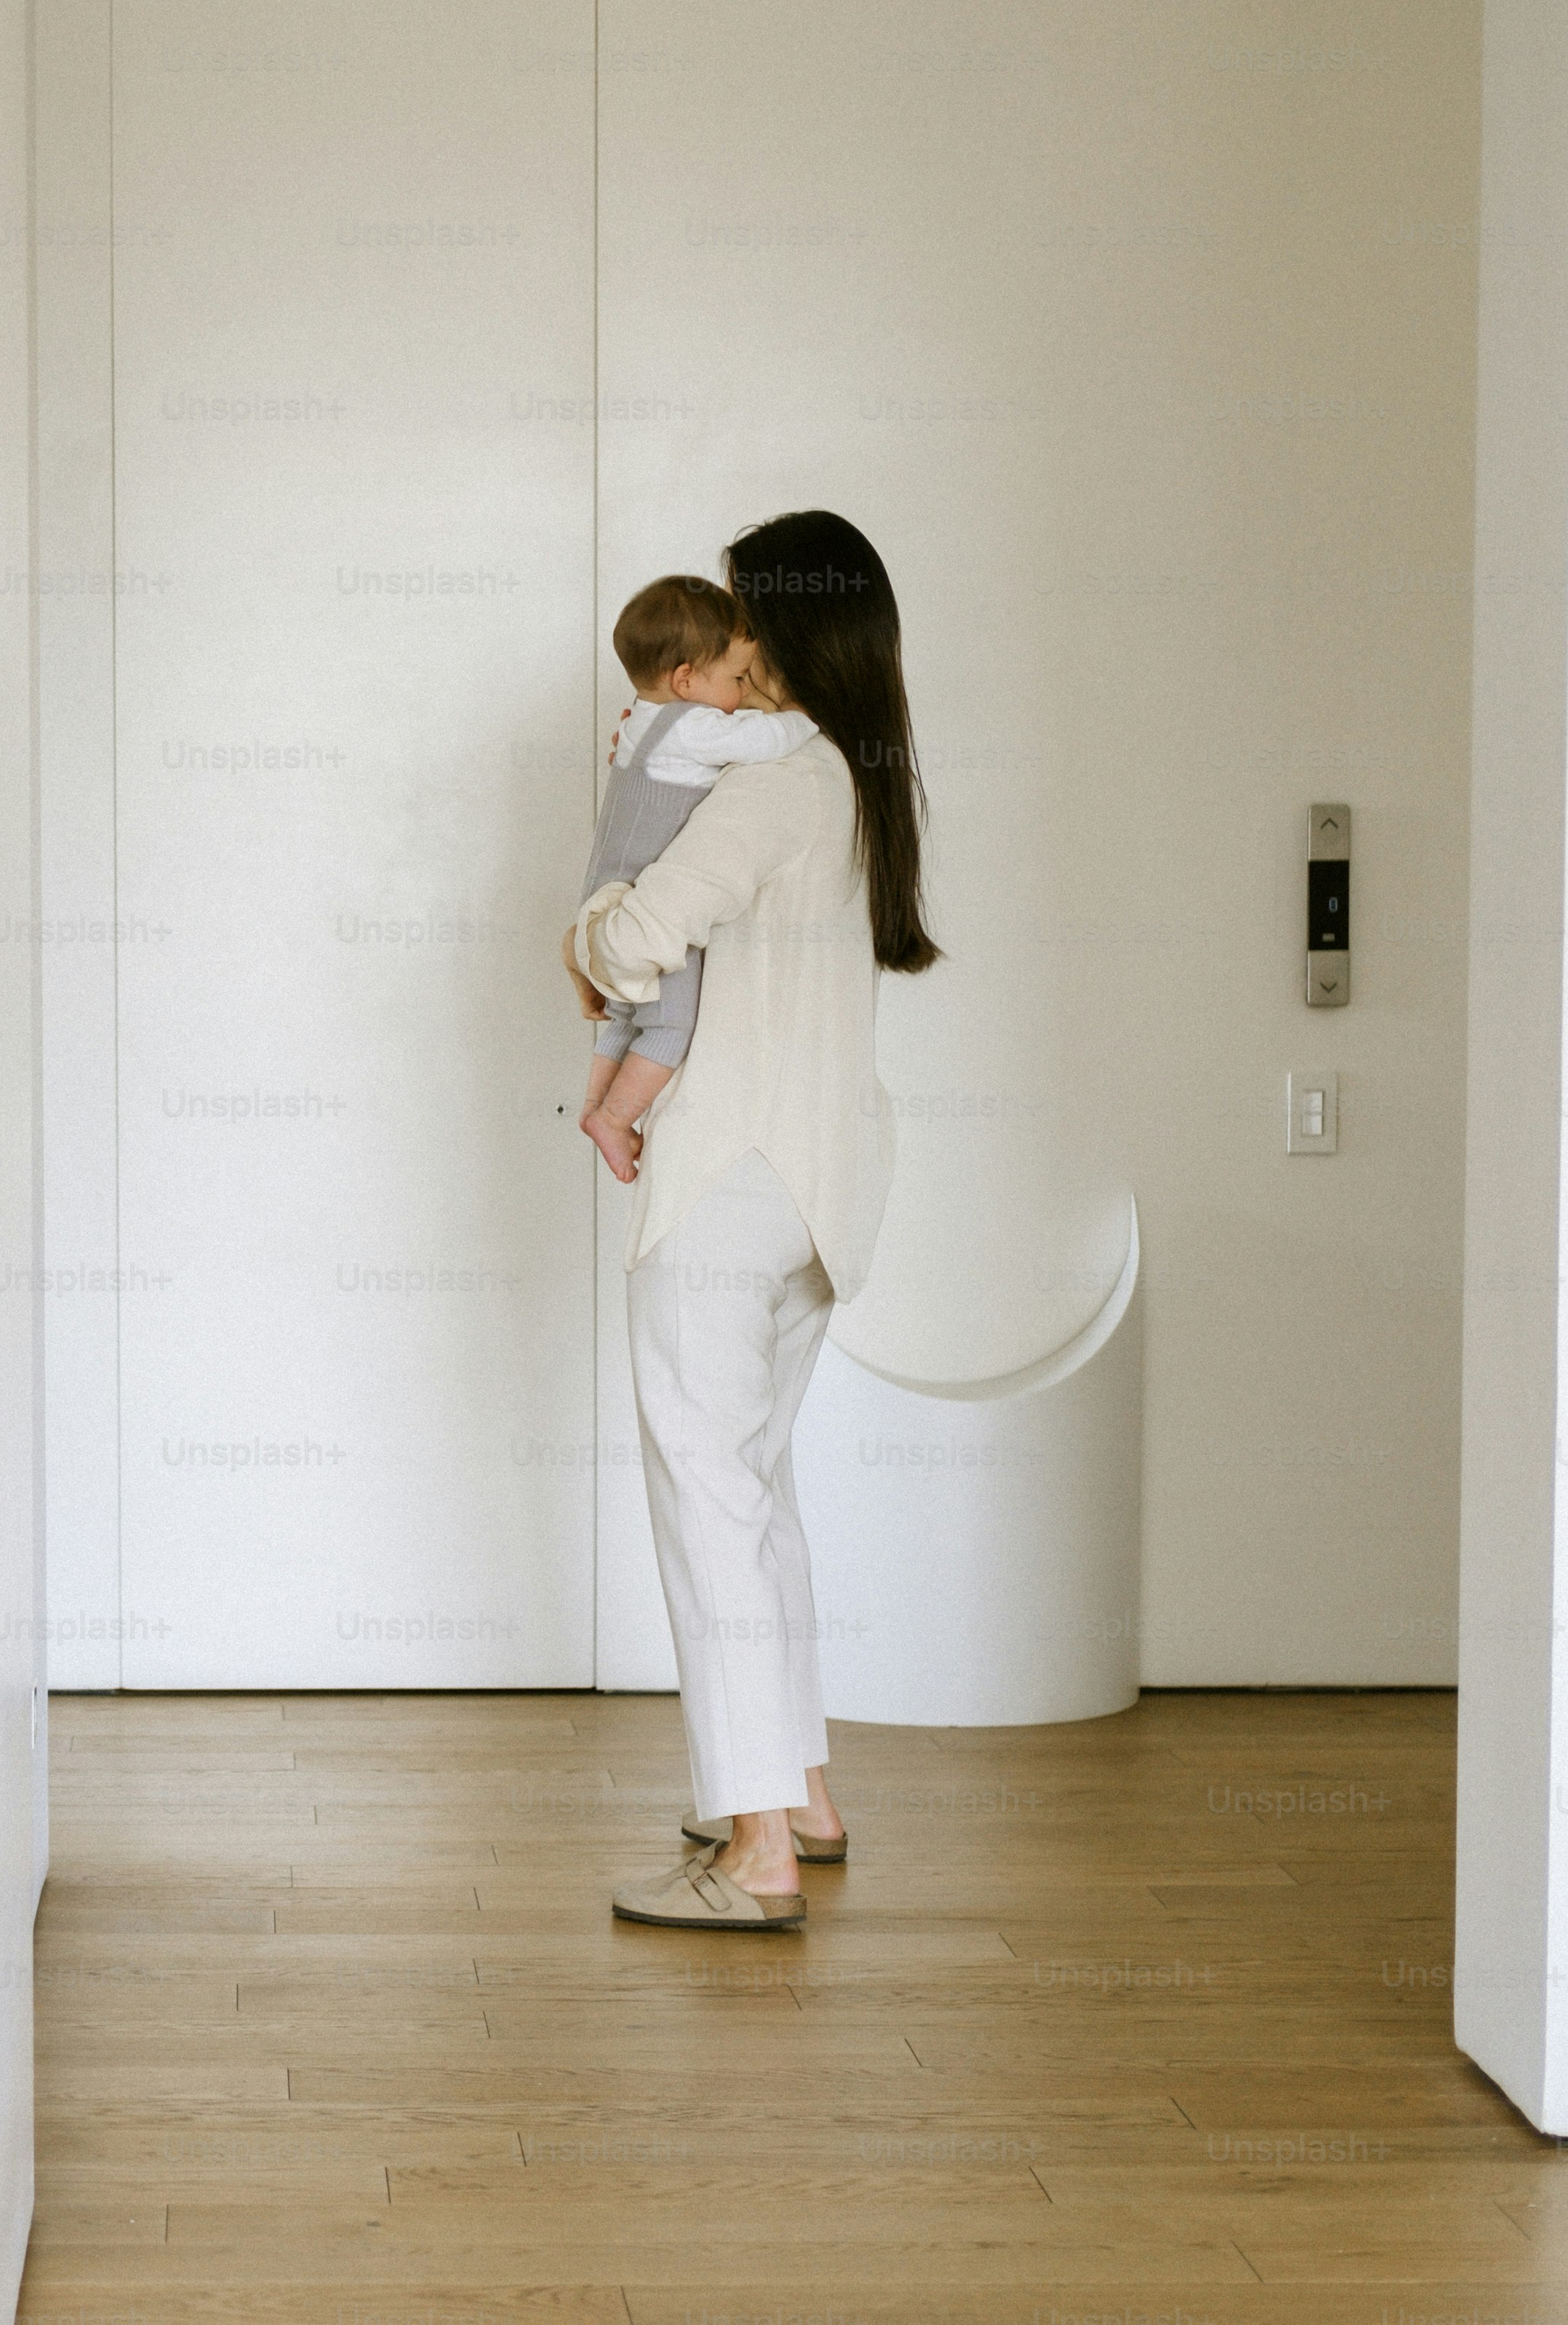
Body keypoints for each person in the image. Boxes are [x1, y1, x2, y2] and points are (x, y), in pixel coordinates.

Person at [562, 510, 941, 1932]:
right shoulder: (853, 777)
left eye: (739, 615)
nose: (725, 640)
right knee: (757, 1488)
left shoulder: (769, 786)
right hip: (824, 1183)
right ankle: (804, 1797)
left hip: (730, 1176)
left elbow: (635, 934)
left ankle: (755, 1851)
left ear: (781, 629)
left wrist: (578, 934)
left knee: (706, 1497)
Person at [577, 575, 820, 1185]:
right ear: (685, 680)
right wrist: (802, 714)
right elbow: (768, 739)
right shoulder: (693, 727)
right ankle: (613, 1117)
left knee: (626, 1015)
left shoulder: (643, 721)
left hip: (607, 896)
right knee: (670, 1024)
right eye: (736, 678)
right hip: (644, 908)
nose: (742, 693)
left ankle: (595, 1106)